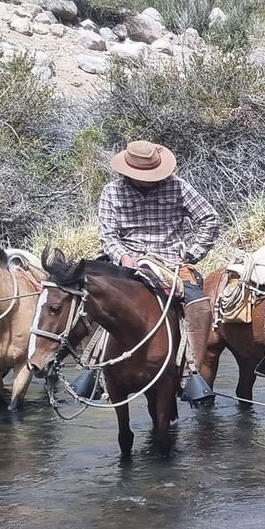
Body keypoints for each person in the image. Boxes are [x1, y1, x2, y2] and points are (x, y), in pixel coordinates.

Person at [98, 140, 220, 401]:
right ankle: (95, 370)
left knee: (199, 306)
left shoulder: (178, 186)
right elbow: (108, 236)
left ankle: (191, 373)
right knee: (86, 296)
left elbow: (209, 218)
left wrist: (192, 254)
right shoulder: (111, 192)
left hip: (170, 264)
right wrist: (124, 258)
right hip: (126, 262)